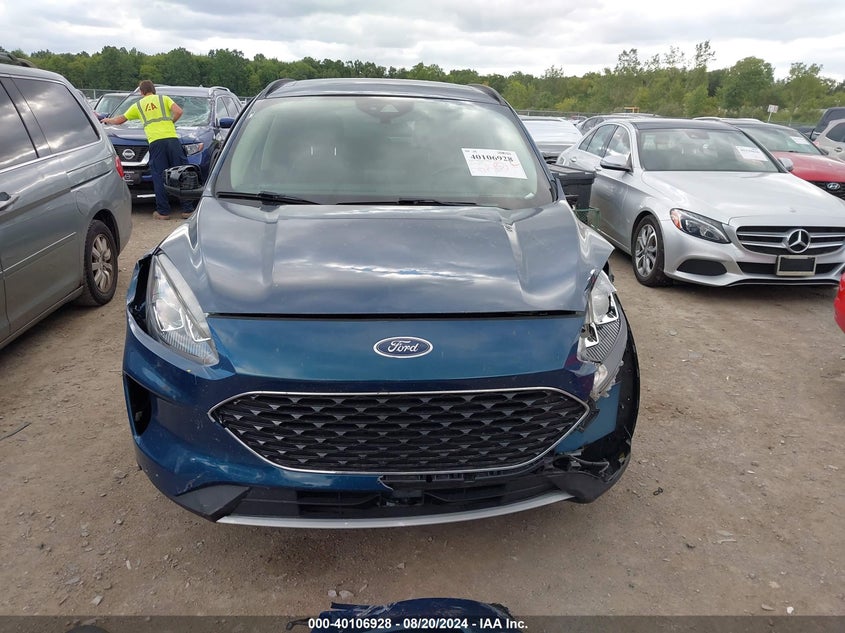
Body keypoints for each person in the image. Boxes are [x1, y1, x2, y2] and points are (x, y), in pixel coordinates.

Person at [102, 80, 194, 220]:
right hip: (172, 139)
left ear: (141, 91)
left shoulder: (138, 105)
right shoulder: (164, 99)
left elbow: (120, 120)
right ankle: (187, 210)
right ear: (153, 90)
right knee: (181, 172)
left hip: (156, 142)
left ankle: (163, 212)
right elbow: (179, 111)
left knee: (159, 176)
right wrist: (171, 121)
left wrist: (107, 120)